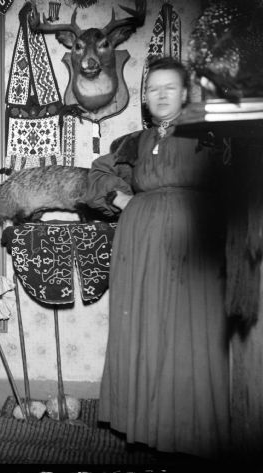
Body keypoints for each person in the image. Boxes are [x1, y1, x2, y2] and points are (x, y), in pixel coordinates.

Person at [84, 57, 230, 459]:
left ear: (186, 93)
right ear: (144, 99)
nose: (160, 95)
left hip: (190, 246)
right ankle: (149, 430)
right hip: (138, 248)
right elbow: (95, 176)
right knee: (145, 331)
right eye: (152, 89)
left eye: (169, 87)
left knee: (185, 333)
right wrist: (122, 197)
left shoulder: (211, 134)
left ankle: (190, 433)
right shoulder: (133, 143)